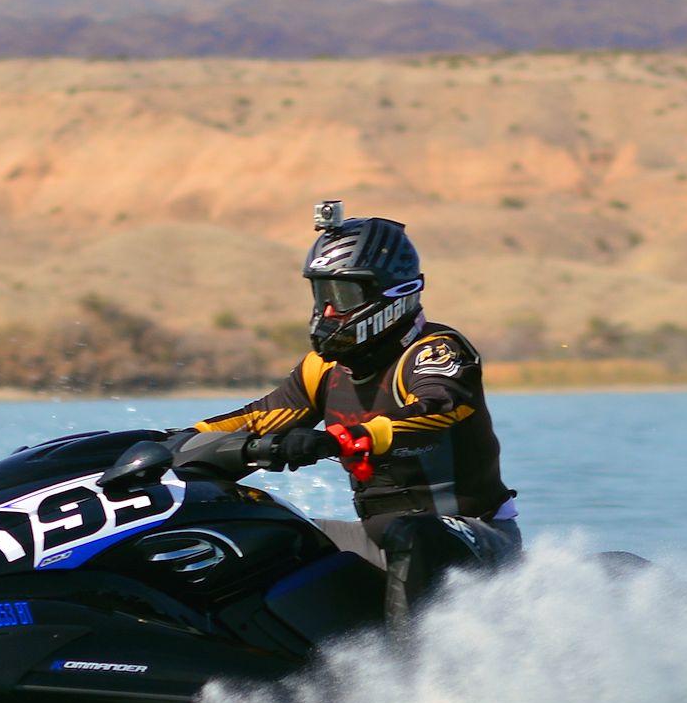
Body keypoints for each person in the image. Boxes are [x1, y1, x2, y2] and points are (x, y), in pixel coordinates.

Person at [132, 200, 520, 630]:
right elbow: (259, 417)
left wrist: (342, 437)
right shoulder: (324, 369)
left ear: (391, 294)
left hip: (473, 535)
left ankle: (413, 672)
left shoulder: (435, 350)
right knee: (263, 532)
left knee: (411, 535)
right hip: (377, 537)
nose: (329, 310)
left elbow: (441, 408)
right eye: (322, 293)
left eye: (343, 295)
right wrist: (167, 443)